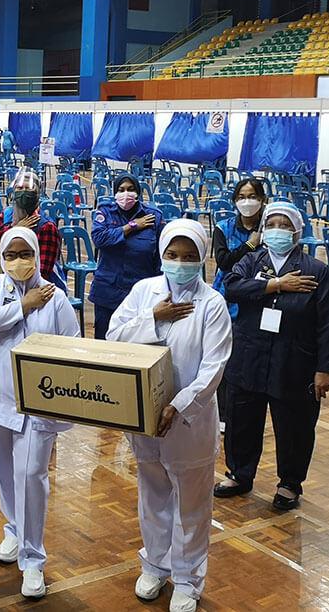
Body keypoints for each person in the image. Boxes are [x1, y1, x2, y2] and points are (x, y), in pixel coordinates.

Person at [106, 219, 232, 612]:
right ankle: (156, 565)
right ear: (162, 255)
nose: (181, 263)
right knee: (153, 493)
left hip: (188, 421)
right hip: (145, 417)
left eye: (190, 256)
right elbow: (113, 336)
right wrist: (155, 318)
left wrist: (178, 405)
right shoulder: (145, 292)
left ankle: (188, 579)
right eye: (173, 255)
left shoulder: (212, 304)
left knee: (192, 505)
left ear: (202, 259)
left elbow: (214, 367)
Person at [0, 228, 80, 599]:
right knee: (5, 473)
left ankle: (33, 560)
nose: (18, 261)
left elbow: (72, 346)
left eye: (24, 253)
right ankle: (14, 529)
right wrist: (24, 305)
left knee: (32, 475)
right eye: (11, 254)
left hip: (38, 403)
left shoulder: (57, 297)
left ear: (36, 254)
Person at [216, 201, 329, 510]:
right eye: (271, 224)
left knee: (295, 425)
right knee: (241, 419)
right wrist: (275, 285)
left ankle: (289, 483)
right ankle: (240, 474)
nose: (277, 231)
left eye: (285, 225)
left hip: (294, 360)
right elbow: (231, 287)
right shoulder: (250, 261)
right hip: (249, 355)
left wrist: (325, 369)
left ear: (297, 231)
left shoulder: (316, 271)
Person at [90, 175, 163, 339]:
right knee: (103, 343)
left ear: (138, 192)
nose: (126, 194)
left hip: (140, 293)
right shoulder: (105, 212)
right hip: (108, 292)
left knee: (136, 341)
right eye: (121, 190)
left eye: (130, 189)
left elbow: (159, 257)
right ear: (115, 193)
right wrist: (132, 226)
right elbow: (100, 239)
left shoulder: (153, 217)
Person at [0, 168, 62, 283]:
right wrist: (14, 230)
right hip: (6, 280)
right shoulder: (7, 214)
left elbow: (43, 272)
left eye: (28, 188)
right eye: (19, 188)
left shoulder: (46, 227)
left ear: (37, 193)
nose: (23, 191)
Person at [212, 178, 267, 317]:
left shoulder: (269, 230)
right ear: (235, 201)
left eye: (252, 197)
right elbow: (223, 263)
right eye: (241, 197)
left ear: (262, 199)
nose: (247, 201)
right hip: (227, 293)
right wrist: (249, 245)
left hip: (259, 293)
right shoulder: (223, 228)